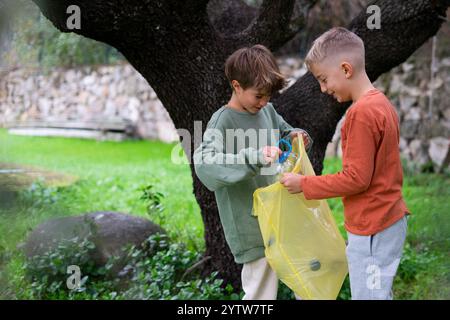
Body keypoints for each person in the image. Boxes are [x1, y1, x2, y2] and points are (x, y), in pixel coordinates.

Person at [280, 27, 410, 300]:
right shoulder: (382, 104)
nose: (323, 88)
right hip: (387, 219)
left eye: (324, 79)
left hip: (374, 225)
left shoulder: (361, 114)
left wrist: (304, 183)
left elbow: (356, 178)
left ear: (346, 69)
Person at [193, 44, 312, 300]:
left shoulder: (266, 111)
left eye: (268, 95)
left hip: (280, 217)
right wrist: (254, 157)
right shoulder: (222, 121)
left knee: (306, 278)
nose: (265, 102)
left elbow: (283, 131)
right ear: (236, 86)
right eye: (258, 95)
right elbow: (204, 163)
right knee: (260, 292)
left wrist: (296, 136)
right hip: (249, 225)